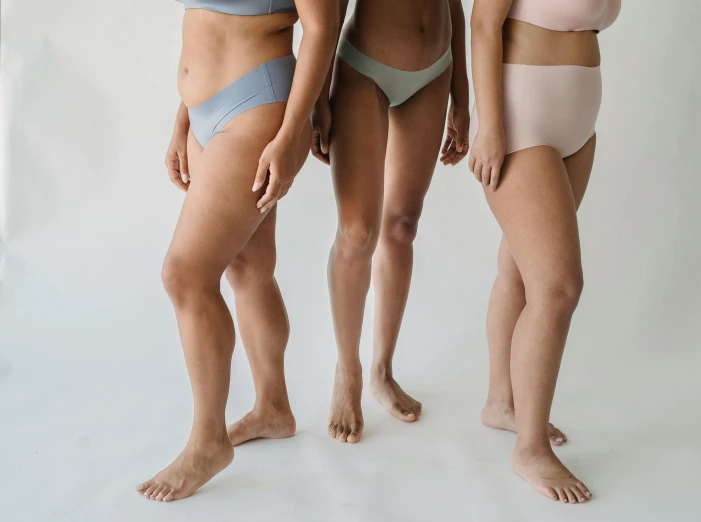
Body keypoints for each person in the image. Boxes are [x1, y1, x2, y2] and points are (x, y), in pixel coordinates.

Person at [136, 0, 338, 502]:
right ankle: (273, 408)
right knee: (248, 268)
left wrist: (293, 133)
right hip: (209, 114)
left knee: (184, 274)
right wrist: (185, 114)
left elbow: (321, 26)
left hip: (257, 105)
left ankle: (208, 441)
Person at [469, 0, 621, 503]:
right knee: (557, 288)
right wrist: (489, 125)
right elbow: (484, 22)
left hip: (577, 120)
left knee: (520, 270)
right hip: (520, 112)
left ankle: (502, 403)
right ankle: (530, 449)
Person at [310, 0, 470, 443]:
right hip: (365, 67)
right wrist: (319, 93)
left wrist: (463, 93)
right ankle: (348, 368)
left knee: (402, 225)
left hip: (435, 69)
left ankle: (382, 370)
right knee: (357, 231)